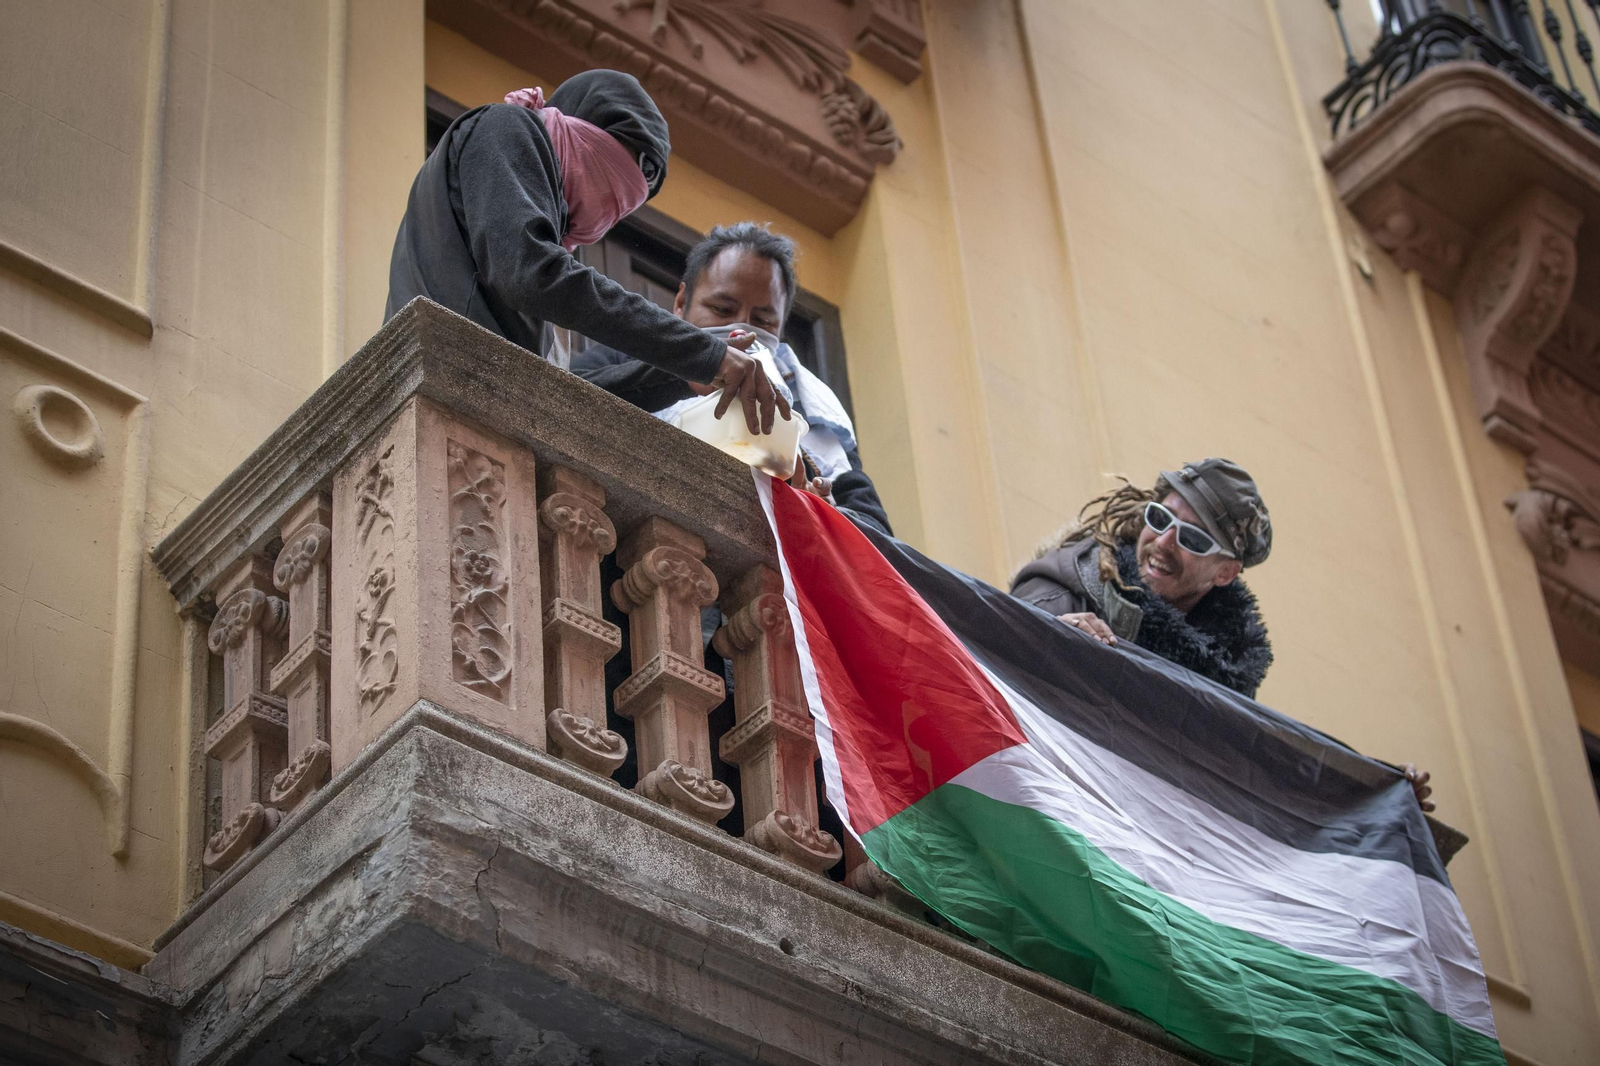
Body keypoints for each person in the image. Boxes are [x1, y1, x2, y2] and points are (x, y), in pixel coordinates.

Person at [1012, 459, 1435, 811]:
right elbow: (989, 668)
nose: (1163, 542)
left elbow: (1261, 788)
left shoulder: (1222, 684)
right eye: (1160, 519)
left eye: (1192, 538)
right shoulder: (1066, 587)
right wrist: (1043, 637)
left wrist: (1379, 796)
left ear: (1225, 572)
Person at [385, 71, 785, 435]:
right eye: (601, 181)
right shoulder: (503, 127)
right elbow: (533, 274)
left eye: (621, 206)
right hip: (439, 395)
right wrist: (701, 352)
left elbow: (558, 398)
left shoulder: (553, 258)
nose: (603, 214)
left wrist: (681, 376)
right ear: (565, 130)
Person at [574, 222, 891, 535]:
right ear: (682, 302)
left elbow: (878, 533)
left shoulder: (816, 422)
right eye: (723, 309)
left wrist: (828, 513)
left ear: (780, 328)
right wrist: (686, 370)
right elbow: (566, 395)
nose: (742, 330)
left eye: (763, 320)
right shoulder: (633, 354)